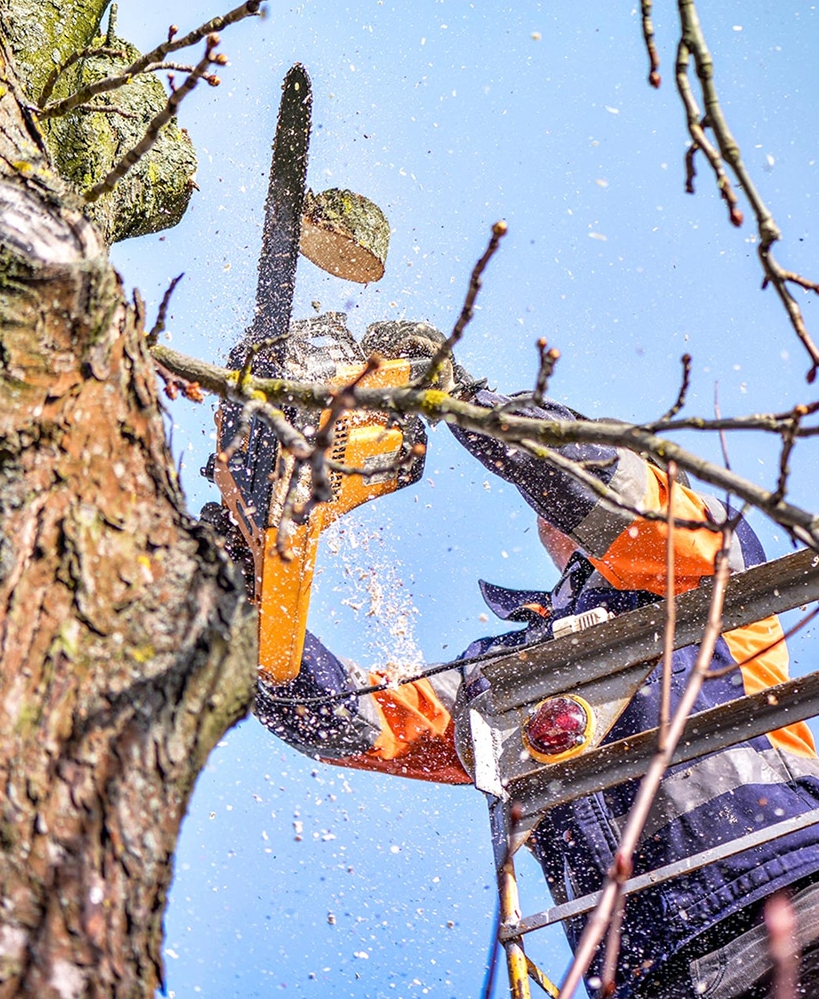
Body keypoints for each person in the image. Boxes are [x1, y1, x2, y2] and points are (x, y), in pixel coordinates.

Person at [248, 321, 819, 999]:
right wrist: (244, 585)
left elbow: (603, 486)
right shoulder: (509, 673)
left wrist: (461, 401)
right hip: (651, 977)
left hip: (792, 891)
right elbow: (342, 716)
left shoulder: (701, 558)